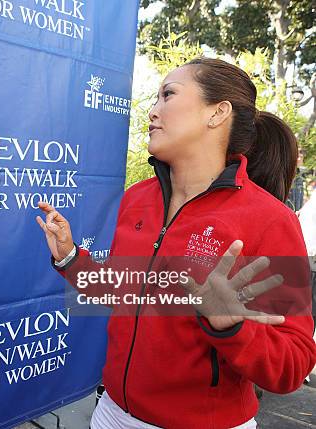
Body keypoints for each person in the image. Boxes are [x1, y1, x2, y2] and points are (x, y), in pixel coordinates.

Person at [37, 58, 316, 428]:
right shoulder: (137, 198)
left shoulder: (270, 220)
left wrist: (229, 326)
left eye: (168, 95)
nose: (152, 111)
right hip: (112, 414)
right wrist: (71, 257)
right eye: (155, 98)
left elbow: (292, 367)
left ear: (217, 113)